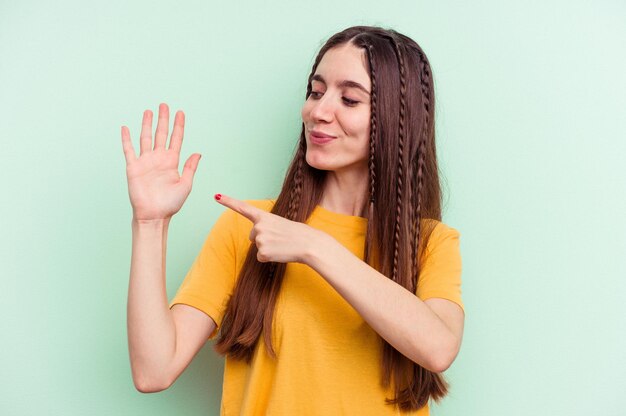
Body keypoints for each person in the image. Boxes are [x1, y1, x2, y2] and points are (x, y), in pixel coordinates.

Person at [122, 26, 465, 415]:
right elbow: (153, 371)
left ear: (398, 119)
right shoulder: (249, 228)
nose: (318, 111)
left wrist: (313, 246)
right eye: (316, 92)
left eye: (349, 99)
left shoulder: (430, 243)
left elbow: (438, 348)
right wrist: (149, 223)